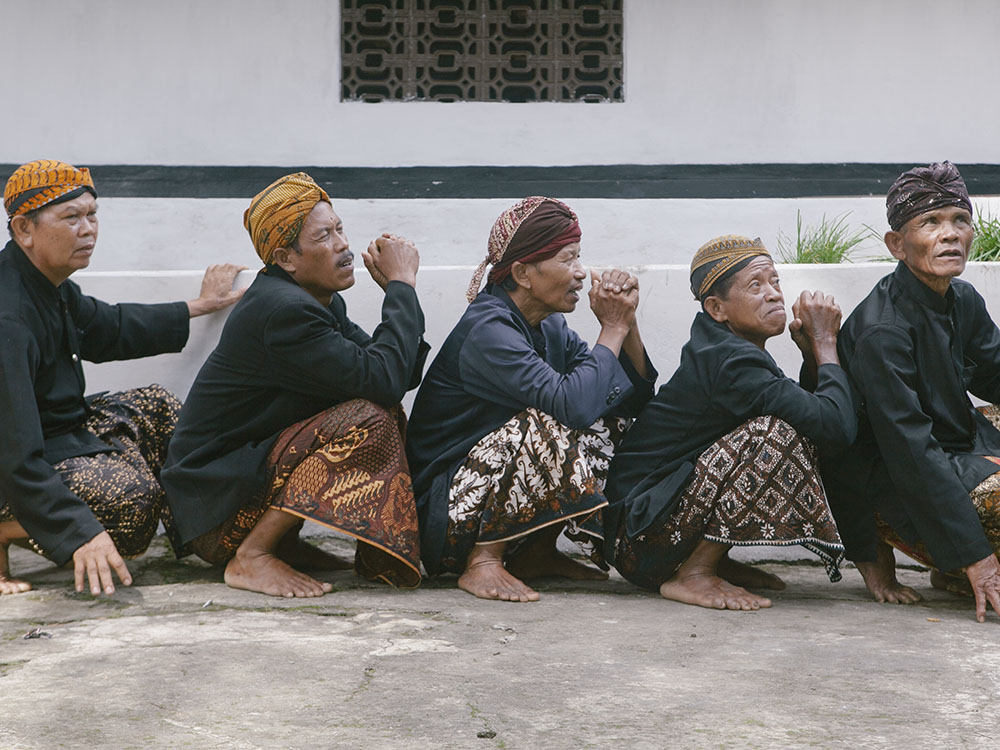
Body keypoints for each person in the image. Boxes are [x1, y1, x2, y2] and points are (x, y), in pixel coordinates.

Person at [162, 172, 428, 598]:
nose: (342, 244)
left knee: (381, 412)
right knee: (368, 420)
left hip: (238, 490)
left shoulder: (314, 299)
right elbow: (384, 381)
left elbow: (394, 374)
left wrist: (402, 295)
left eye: (340, 229)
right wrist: (401, 288)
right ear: (286, 258)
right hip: (216, 513)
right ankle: (252, 555)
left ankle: (283, 544)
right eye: (324, 236)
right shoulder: (283, 311)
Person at [0, 159, 244, 597]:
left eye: (92, 215)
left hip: (59, 435)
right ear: (24, 229)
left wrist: (200, 305)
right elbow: (14, 450)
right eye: (71, 218)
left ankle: (218, 540)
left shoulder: (47, 281)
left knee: (160, 406)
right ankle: (5, 527)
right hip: (13, 463)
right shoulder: (8, 318)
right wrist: (77, 529)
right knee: (133, 503)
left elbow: (108, 327)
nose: (88, 230)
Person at [406, 196, 657, 602]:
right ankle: (482, 561)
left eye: (579, 257)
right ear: (523, 273)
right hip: (444, 512)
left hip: (480, 500)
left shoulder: (549, 325)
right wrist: (611, 328)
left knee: (608, 422)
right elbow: (573, 406)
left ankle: (536, 552)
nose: (581, 272)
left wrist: (626, 323)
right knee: (547, 419)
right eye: (567, 258)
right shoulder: (489, 329)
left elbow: (625, 400)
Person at [604, 235, 854, 610]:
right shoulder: (732, 362)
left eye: (775, 281)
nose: (774, 294)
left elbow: (820, 419)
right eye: (755, 285)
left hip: (648, 527)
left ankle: (712, 561)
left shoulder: (725, 348)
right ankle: (693, 572)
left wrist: (811, 356)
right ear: (717, 308)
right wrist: (825, 343)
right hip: (638, 538)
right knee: (774, 435)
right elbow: (835, 427)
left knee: (784, 429)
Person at [824, 162, 1000, 623]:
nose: (950, 234)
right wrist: (976, 557)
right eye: (931, 222)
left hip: (954, 439)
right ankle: (960, 563)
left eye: (960, 220)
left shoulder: (962, 298)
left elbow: (996, 372)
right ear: (897, 245)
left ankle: (950, 569)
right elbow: (910, 448)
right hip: (891, 471)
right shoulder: (883, 331)